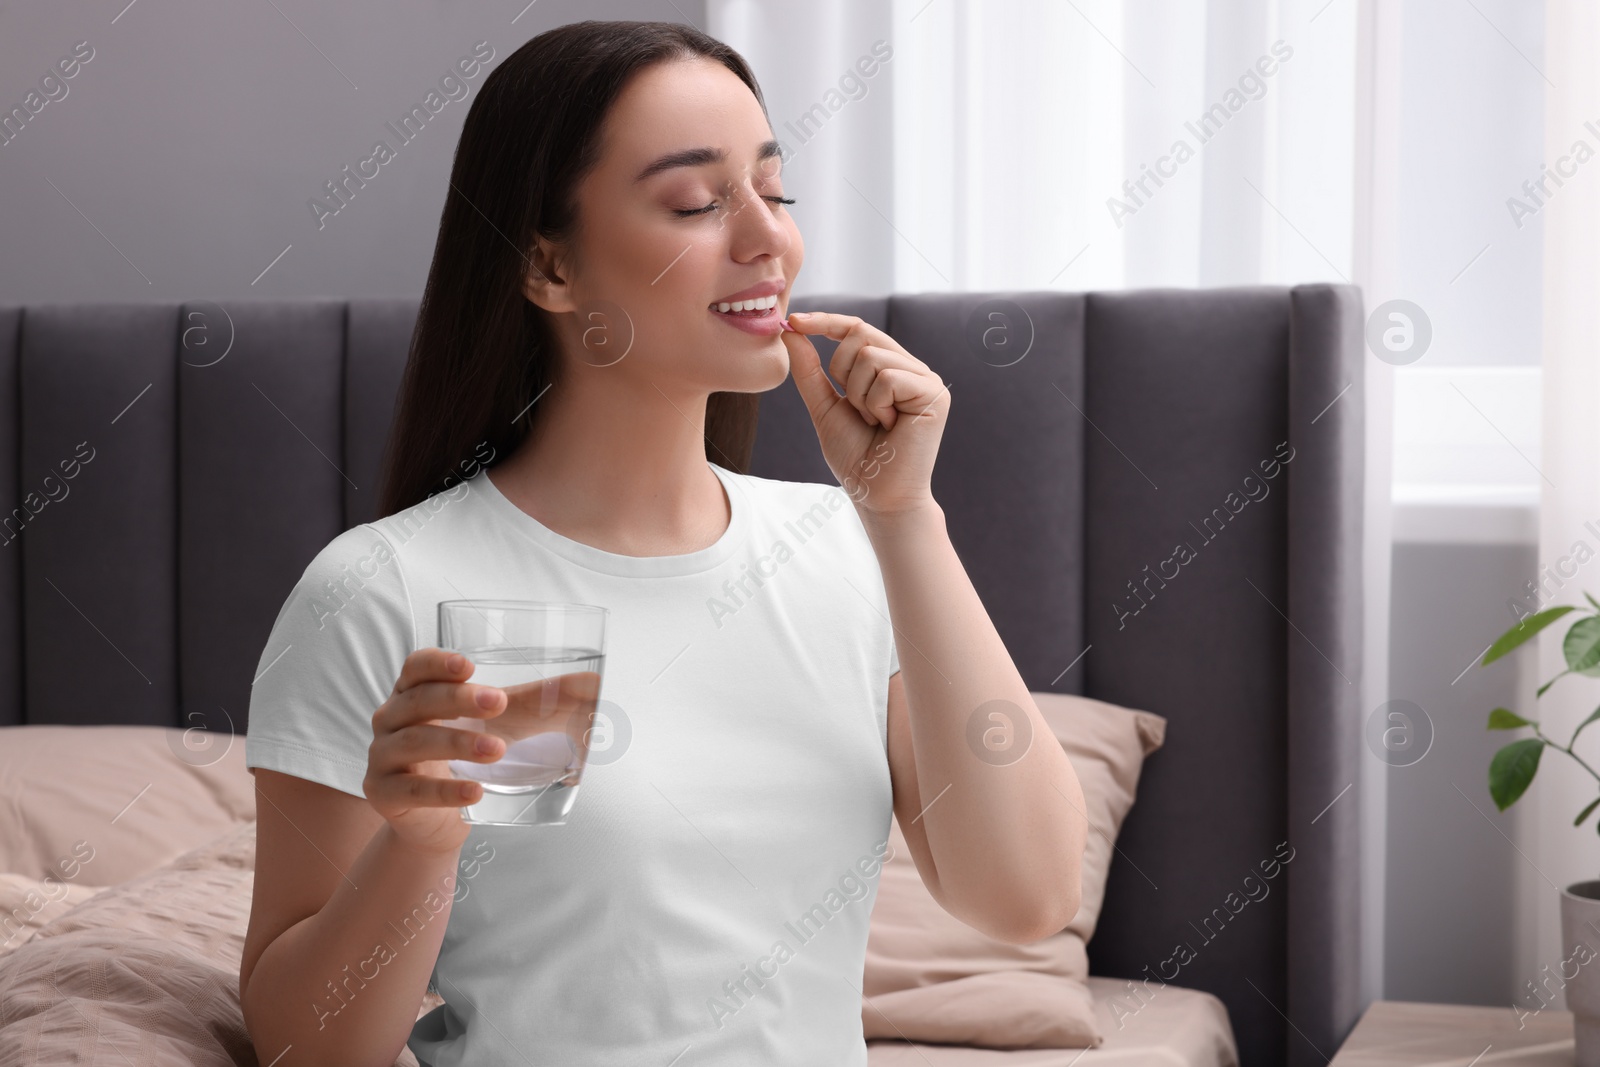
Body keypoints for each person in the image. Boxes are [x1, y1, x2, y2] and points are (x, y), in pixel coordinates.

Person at [238, 19, 1086, 1067]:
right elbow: (298, 1048)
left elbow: (1027, 896)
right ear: (549, 266)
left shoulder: (843, 550)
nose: (767, 239)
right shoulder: (387, 586)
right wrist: (419, 846)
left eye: (774, 192)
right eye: (696, 202)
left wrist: (902, 518)